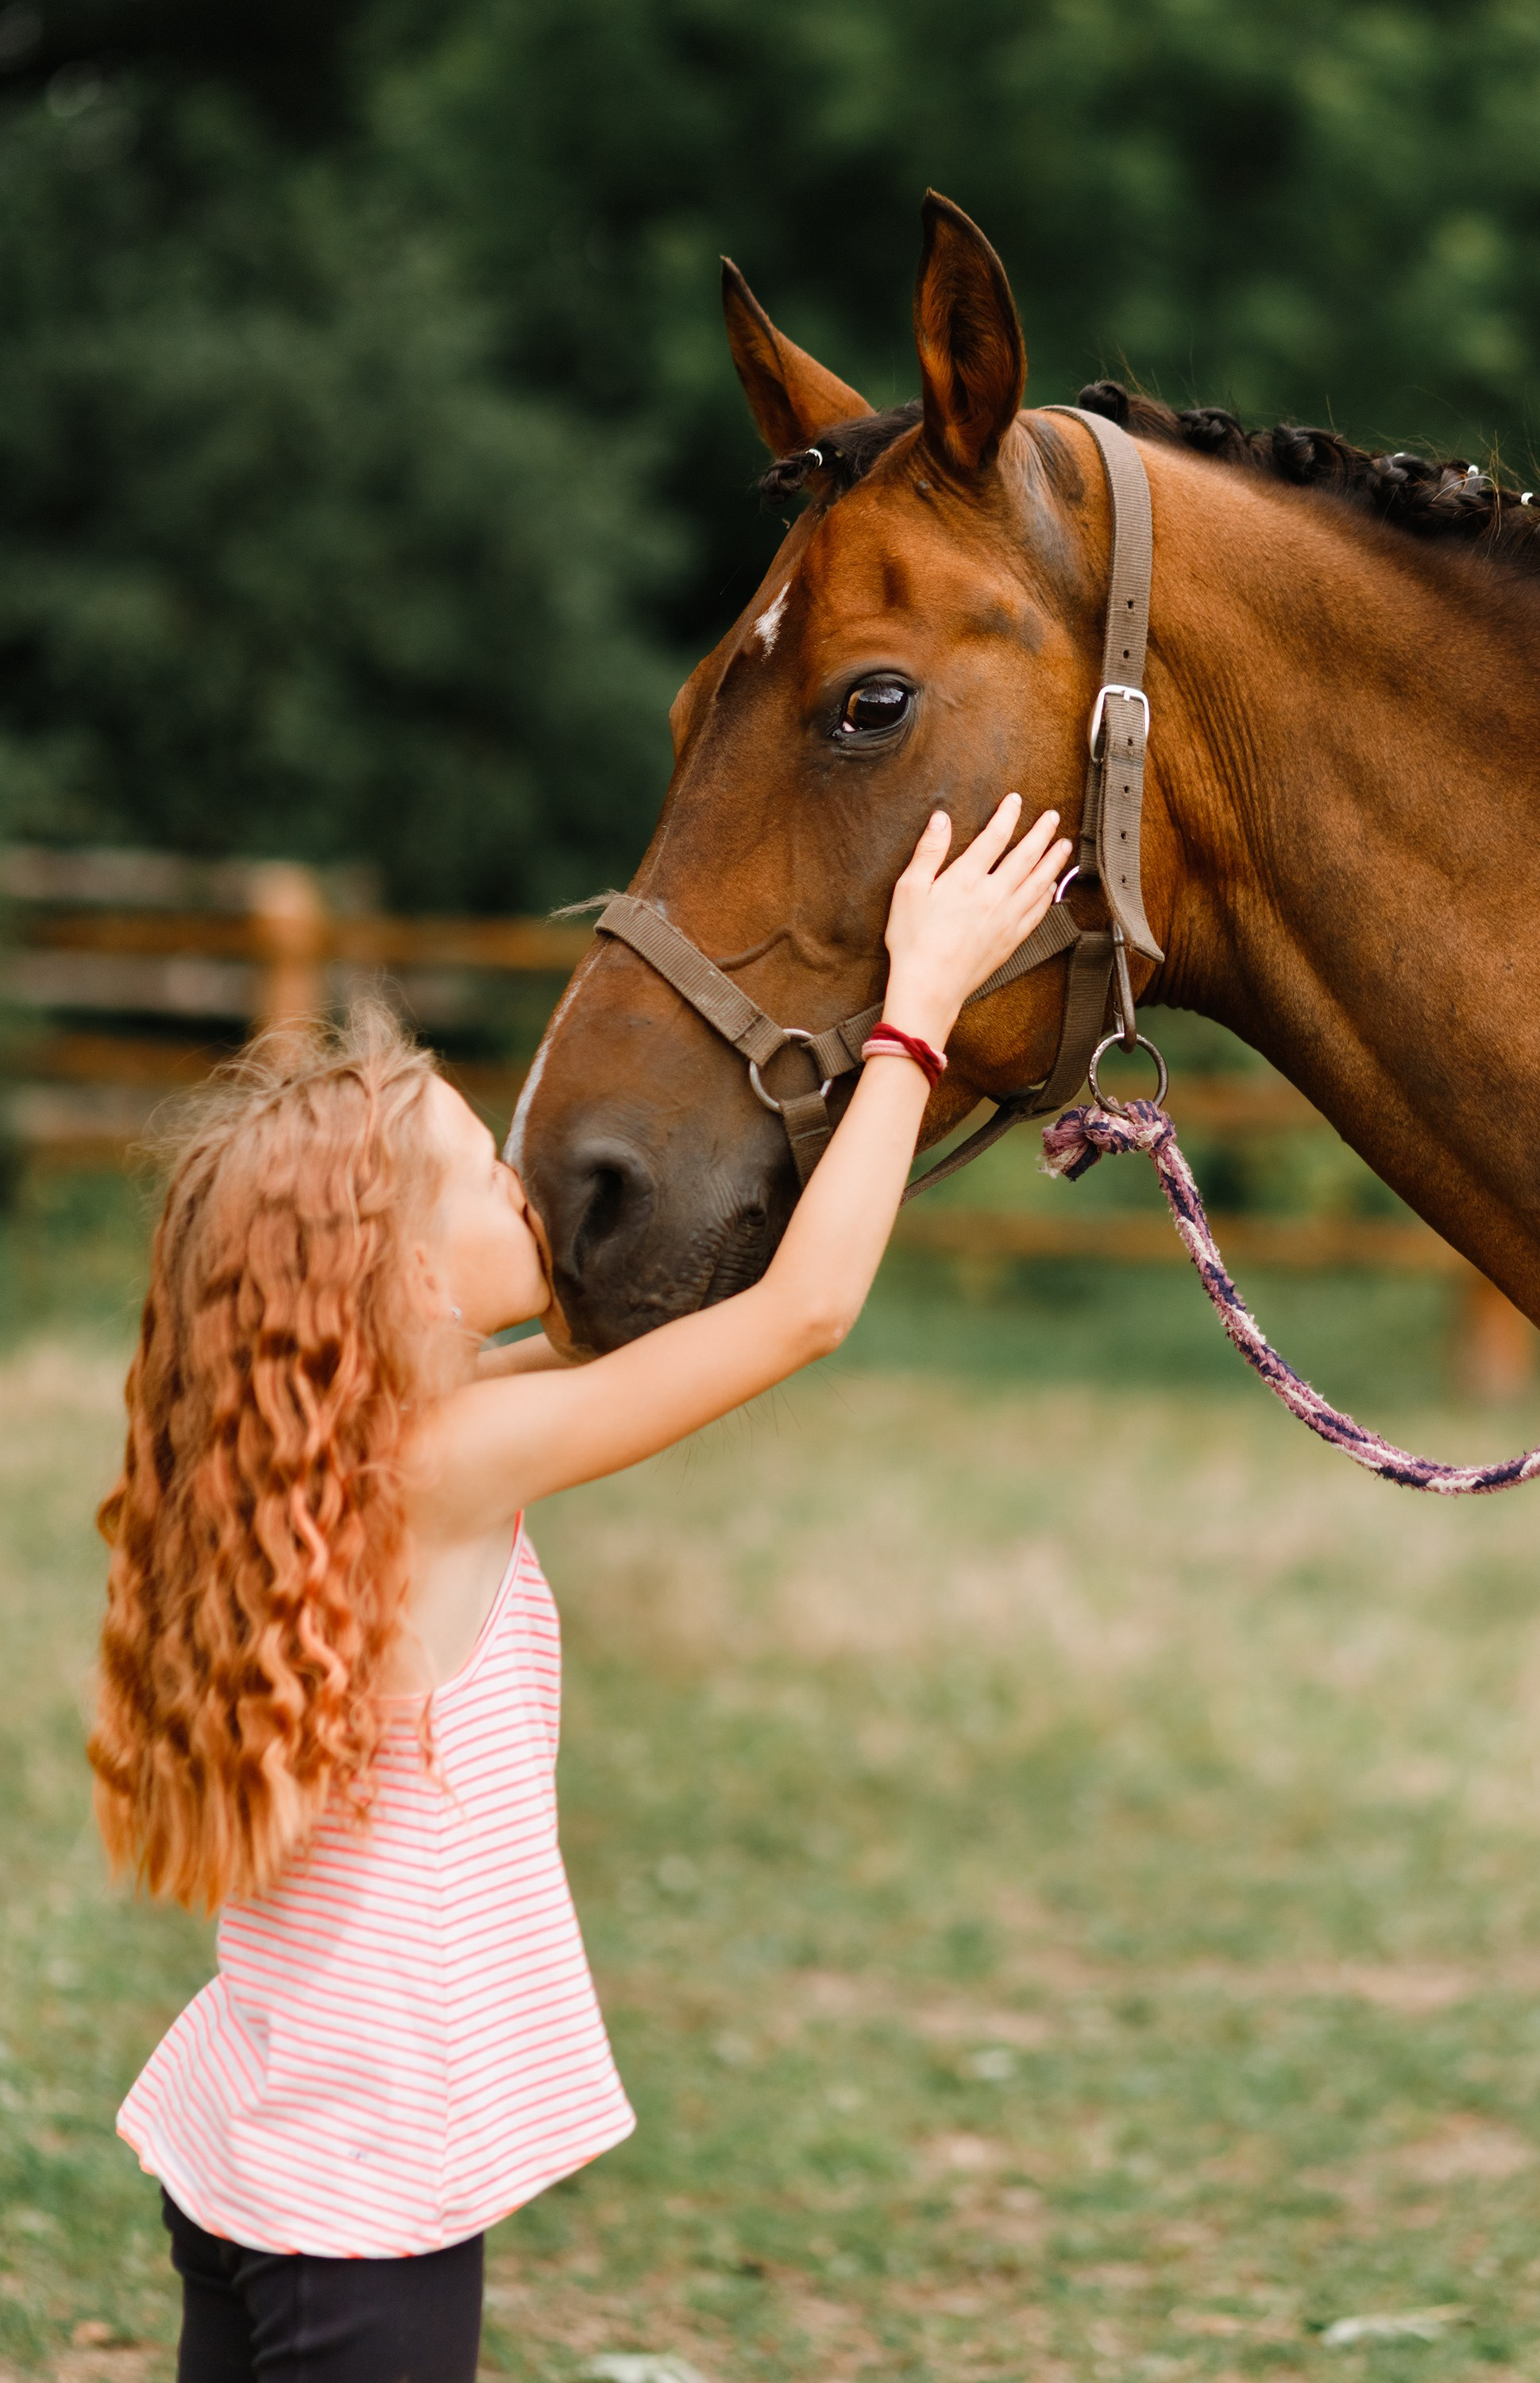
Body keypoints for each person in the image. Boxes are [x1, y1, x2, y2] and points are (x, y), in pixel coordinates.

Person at [87, 794, 1071, 2383]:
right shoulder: (439, 1470)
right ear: (401, 1282)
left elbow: (674, 1327)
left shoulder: (321, 1464)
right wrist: (916, 1020)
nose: (530, 1185)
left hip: (263, 2156)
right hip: (363, 2217)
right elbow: (803, 1318)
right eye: (487, 1175)